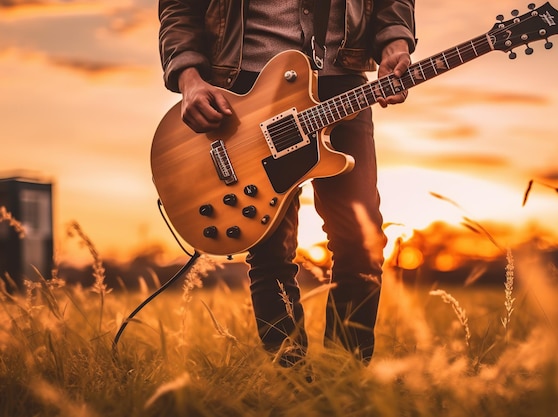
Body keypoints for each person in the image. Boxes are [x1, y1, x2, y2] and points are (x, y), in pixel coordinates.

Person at [158, 0, 416, 365]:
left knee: (363, 243)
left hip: (341, 81)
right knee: (269, 253)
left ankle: (345, 381)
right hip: (245, 88)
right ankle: (290, 384)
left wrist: (395, 42)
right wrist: (189, 78)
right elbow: (180, 6)